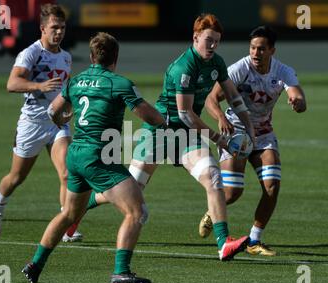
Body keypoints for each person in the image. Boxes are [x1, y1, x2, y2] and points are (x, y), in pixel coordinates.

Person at [82, 13, 256, 261]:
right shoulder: (183, 67)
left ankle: (223, 243)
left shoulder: (216, 62)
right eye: (209, 40)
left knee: (213, 176)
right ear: (195, 38)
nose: (213, 46)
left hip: (187, 136)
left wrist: (250, 127)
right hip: (160, 132)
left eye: (217, 41)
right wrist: (219, 139)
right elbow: (185, 114)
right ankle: (79, 207)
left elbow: (233, 96)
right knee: (130, 188)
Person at [22, 32, 167, 283]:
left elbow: (53, 110)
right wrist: (167, 122)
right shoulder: (120, 83)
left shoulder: (76, 81)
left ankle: (35, 264)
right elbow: (152, 118)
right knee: (137, 212)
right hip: (100, 156)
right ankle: (120, 272)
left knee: (68, 214)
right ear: (116, 58)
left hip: (75, 155)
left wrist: (61, 122)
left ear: (91, 57)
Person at [199, 25, 307, 256]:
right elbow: (211, 99)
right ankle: (212, 211)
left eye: (261, 49)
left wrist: (298, 102)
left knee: (272, 186)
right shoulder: (240, 69)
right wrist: (220, 117)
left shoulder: (283, 71)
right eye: (252, 48)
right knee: (232, 193)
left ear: (272, 51)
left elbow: (298, 95)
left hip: (263, 135)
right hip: (236, 132)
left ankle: (254, 240)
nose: (256, 53)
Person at [0, 4, 82, 242]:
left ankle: (67, 227)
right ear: (42, 28)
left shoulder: (66, 57)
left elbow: (65, 88)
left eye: (62, 27)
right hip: (32, 124)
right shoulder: (31, 53)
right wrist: (39, 86)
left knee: (67, 173)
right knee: (17, 177)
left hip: (57, 124)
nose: (59, 32)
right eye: (54, 27)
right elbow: (12, 83)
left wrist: (69, 108)